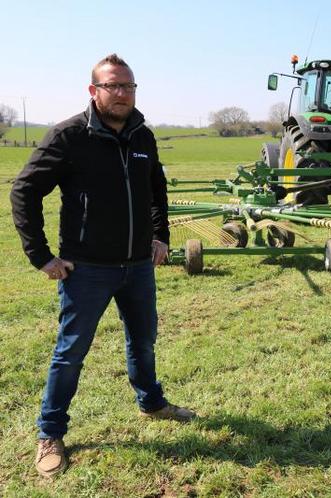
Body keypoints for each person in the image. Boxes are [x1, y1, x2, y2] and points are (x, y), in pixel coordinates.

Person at [10, 54, 195, 478]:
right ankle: (50, 433)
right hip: (87, 270)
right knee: (70, 352)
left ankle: (152, 403)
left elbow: (157, 190)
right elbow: (24, 191)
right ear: (93, 91)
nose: (123, 94)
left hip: (137, 267)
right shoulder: (68, 136)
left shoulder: (143, 137)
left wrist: (160, 235)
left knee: (144, 341)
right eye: (114, 86)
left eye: (129, 87)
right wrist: (41, 256)